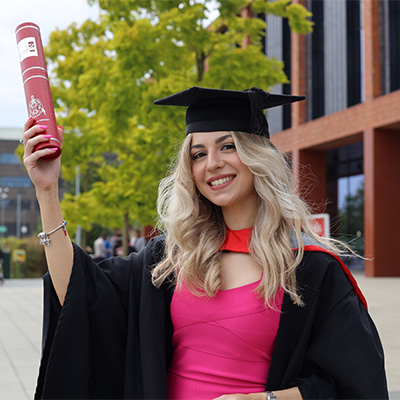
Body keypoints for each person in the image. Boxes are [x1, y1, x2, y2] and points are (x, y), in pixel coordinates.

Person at [22, 86, 387, 400]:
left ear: (256, 156)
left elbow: (352, 380)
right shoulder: (171, 257)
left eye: (227, 146)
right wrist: (47, 192)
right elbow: (79, 290)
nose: (212, 163)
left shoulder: (307, 265)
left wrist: (269, 398)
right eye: (198, 154)